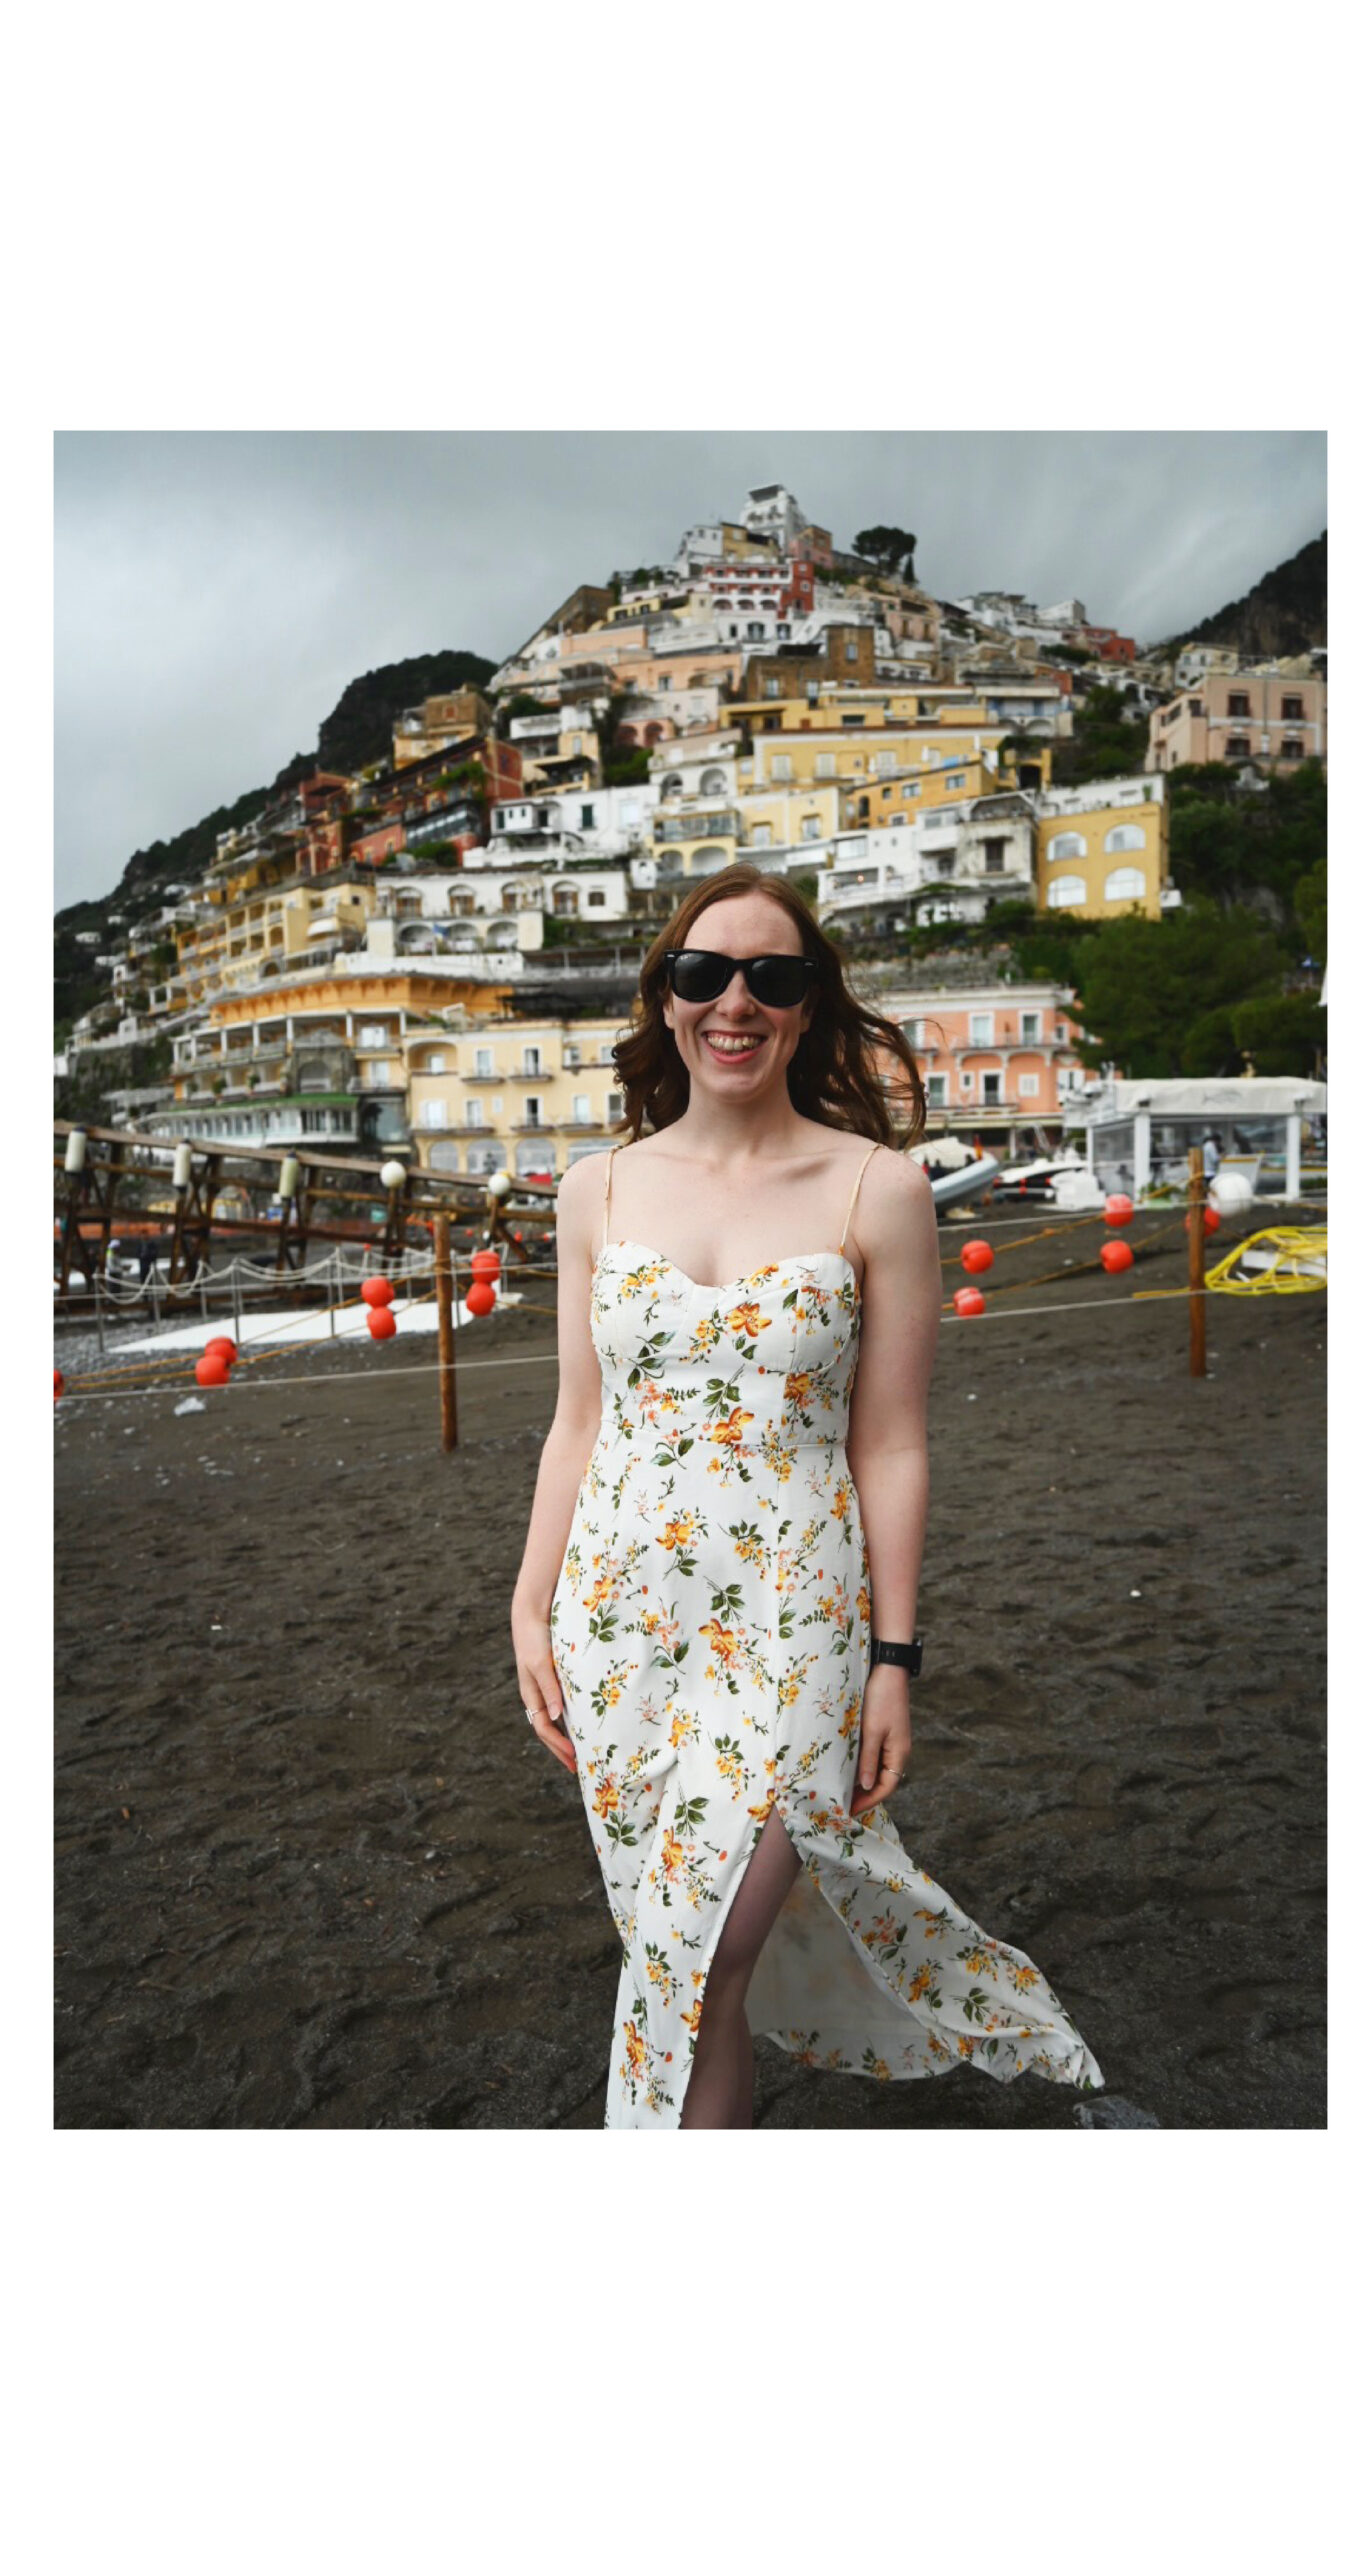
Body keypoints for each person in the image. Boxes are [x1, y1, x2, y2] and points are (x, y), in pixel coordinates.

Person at [509, 865, 1102, 2130]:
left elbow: (891, 1446)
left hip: (795, 1621)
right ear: (666, 1001)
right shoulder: (594, 1190)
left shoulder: (873, 1190)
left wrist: (896, 1659)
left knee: (700, 1948)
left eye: (772, 977)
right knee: (675, 1961)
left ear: (810, 1005)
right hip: (616, 1622)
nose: (737, 1001)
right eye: (705, 973)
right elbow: (577, 1421)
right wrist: (527, 1605)